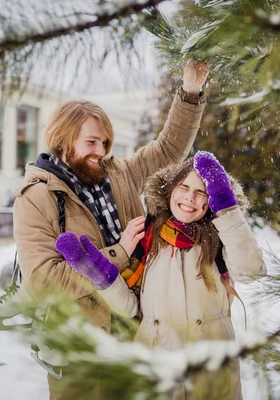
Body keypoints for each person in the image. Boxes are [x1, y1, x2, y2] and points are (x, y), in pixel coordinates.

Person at [12, 61, 210, 398]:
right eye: (91, 143)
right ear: (63, 139)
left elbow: (168, 149)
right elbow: (44, 282)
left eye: (105, 143)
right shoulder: (36, 198)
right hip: (81, 352)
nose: (101, 152)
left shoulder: (119, 173)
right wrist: (117, 253)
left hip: (137, 335)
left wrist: (190, 92)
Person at [55, 150, 267, 399]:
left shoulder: (222, 237)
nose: (190, 197)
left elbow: (251, 271)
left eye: (202, 192)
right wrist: (100, 275)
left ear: (212, 200)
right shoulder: (149, 237)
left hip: (209, 369)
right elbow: (131, 309)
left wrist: (227, 210)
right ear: (170, 191)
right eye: (184, 187)